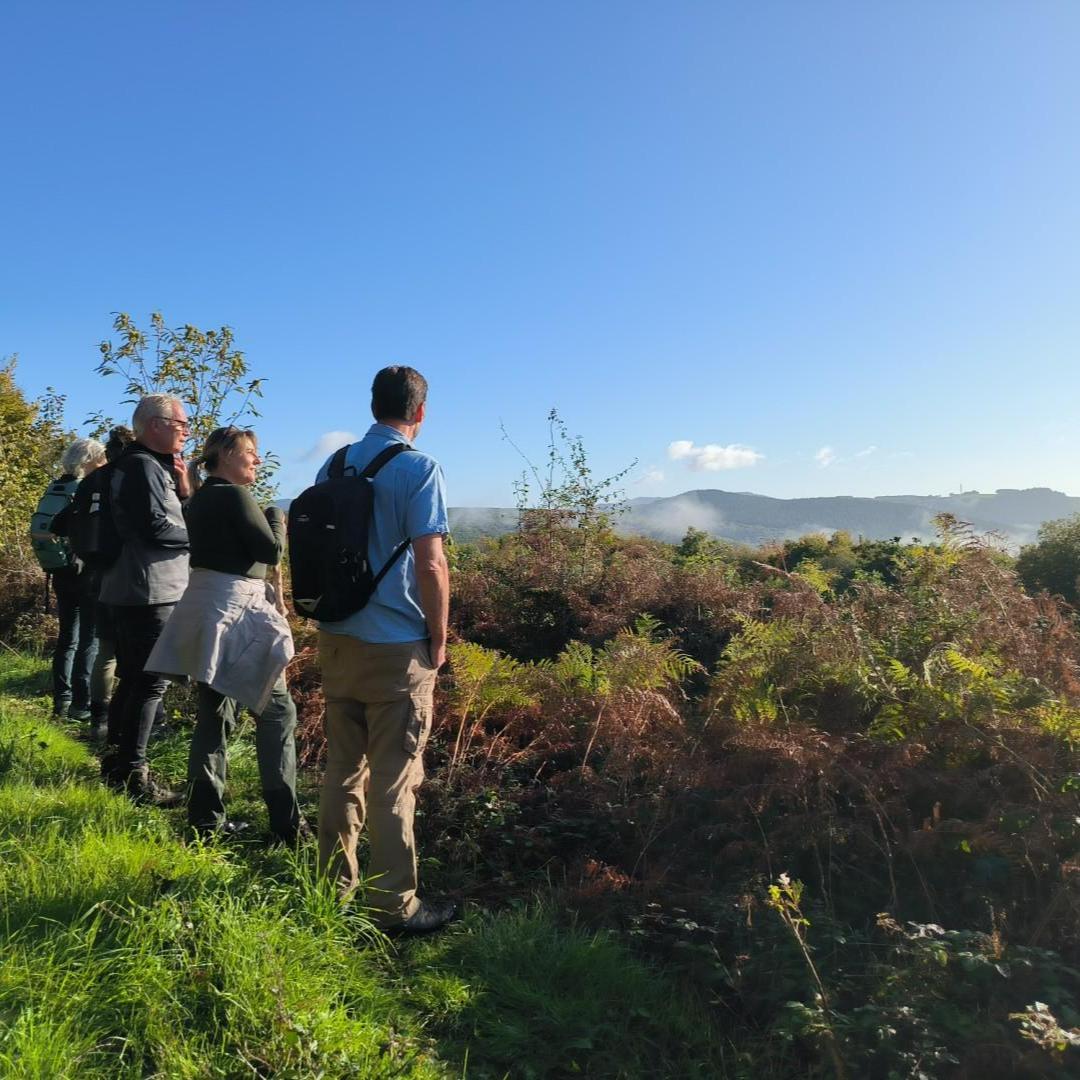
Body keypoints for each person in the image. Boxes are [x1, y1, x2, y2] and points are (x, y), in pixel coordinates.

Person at [315, 365, 454, 934]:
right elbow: (432, 561)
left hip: (337, 637)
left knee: (343, 769)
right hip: (396, 647)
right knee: (394, 781)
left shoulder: (335, 463)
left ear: (374, 405)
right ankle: (396, 905)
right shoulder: (420, 469)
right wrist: (440, 637)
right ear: (419, 412)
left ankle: (332, 888)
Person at [146, 426, 305, 842]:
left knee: (214, 715)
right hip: (239, 612)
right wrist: (276, 517)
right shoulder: (235, 495)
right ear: (224, 456)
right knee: (277, 713)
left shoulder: (198, 500)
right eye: (250, 452)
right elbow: (270, 551)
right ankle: (286, 824)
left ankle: (205, 821)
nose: (257, 459)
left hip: (205, 606)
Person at [98, 394, 190, 804]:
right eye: (181, 423)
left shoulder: (143, 465)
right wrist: (201, 533)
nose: (186, 430)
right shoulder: (141, 466)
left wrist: (184, 494)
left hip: (134, 585)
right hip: (148, 589)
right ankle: (135, 775)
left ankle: (118, 766)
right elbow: (154, 527)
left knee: (134, 678)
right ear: (155, 424)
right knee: (150, 682)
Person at [36, 439, 105, 719]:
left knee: (67, 638)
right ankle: (82, 703)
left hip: (59, 571)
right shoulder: (87, 490)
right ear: (90, 460)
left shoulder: (54, 488)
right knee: (90, 639)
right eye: (100, 459)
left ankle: (61, 702)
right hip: (85, 571)